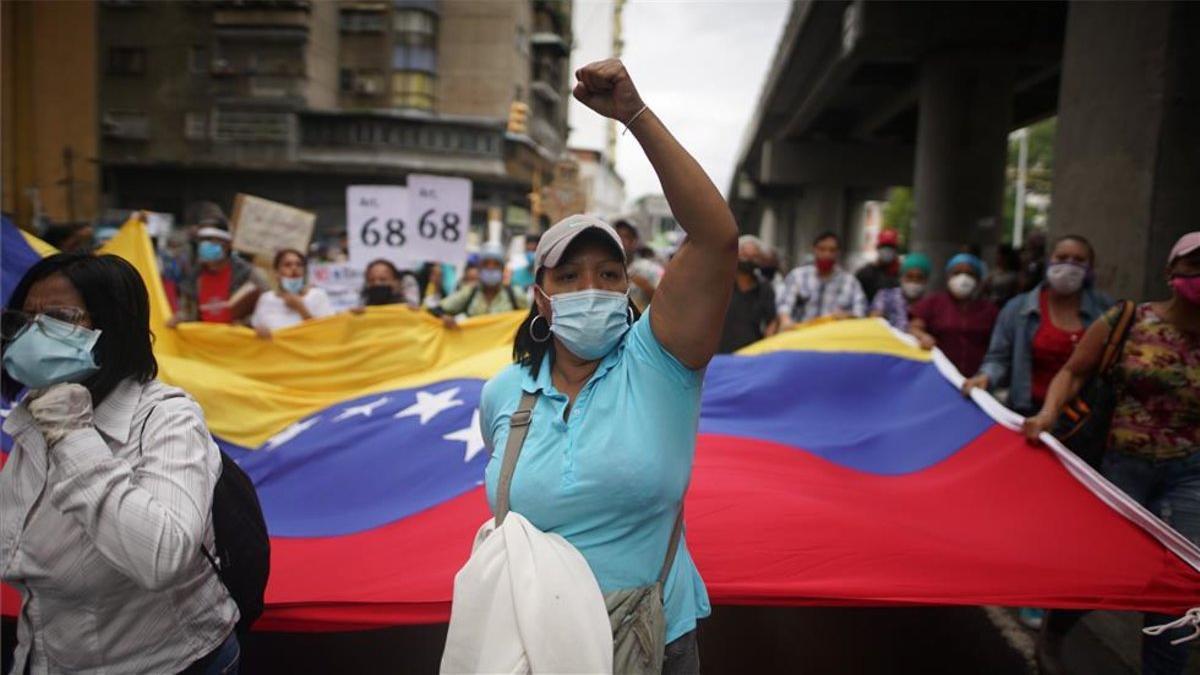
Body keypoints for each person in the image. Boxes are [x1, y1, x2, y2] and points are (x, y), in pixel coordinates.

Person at [479, 59, 736, 672]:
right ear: (540, 296)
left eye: (608, 274)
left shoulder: (660, 364)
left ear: (628, 288)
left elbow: (715, 239)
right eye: (568, 275)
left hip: (649, 643)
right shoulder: (503, 395)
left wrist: (634, 117)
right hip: (533, 647)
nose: (589, 287)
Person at [0, 253, 240, 674]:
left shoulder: (166, 417)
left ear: (113, 326)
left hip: (168, 663)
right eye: (26, 318)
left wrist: (74, 438)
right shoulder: (34, 413)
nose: (36, 334)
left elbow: (161, 556)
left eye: (59, 317)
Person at [1022, 232, 1200, 675]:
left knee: (1180, 584)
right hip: (1122, 469)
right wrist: (1047, 414)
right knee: (1102, 570)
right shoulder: (1128, 319)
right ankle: (1056, 632)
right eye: (1194, 264)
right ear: (1171, 272)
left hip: (1190, 477)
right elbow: (1072, 372)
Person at [962, 235, 1113, 416]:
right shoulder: (1017, 309)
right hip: (1026, 413)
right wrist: (985, 377)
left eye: (1079, 260)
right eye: (1062, 258)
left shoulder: (1105, 311)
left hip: (1082, 420)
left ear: (1090, 269)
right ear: (1049, 261)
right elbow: (999, 358)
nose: (1069, 265)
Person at [908, 253, 999, 376]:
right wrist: (922, 336)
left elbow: (999, 347)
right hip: (939, 376)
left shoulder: (989, 310)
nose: (963, 278)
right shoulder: (933, 303)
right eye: (957, 273)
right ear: (948, 277)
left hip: (976, 380)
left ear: (978, 279)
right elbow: (914, 327)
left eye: (969, 274)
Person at [169, 226, 262, 326]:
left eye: (211, 241)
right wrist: (179, 319)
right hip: (200, 338)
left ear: (226, 246)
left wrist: (249, 324)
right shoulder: (193, 278)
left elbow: (265, 309)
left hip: (234, 339)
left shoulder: (248, 275)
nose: (204, 245)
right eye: (202, 241)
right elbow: (188, 313)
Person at [776, 231, 868, 327]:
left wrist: (847, 316)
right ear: (814, 249)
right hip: (802, 336)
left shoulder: (850, 282)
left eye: (832, 250)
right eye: (822, 249)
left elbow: (861, 311)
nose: (827, 254)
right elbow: (784, 305)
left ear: (838, 253)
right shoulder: (798, 276)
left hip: (833, 337)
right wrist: (785, 321)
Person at [437, 242, 528, 327]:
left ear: (502, 269)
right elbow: (437, 309)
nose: (491, 268)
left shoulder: (515, 295)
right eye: (486, 264)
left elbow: (529, 318)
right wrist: (444, 318)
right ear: (480, 268)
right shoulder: (469, 293)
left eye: (496, 264)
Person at [249, 248, 335, 338]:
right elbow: (255, 329)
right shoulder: (266, 299)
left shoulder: (317, 296)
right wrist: (260, 333)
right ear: (277, 273)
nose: (294, 268)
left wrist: (302, 309)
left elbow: (327, 333)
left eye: (299, 265)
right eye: (287, 265)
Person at [718, 235, 779, 353]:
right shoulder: (721, 284)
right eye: (745, 256)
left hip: (751, 353)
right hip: (719, 354)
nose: (749, 261)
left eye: (754, 257)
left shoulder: (765, 288)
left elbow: (771, 321)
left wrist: (767, 346)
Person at [870, 251, 931, 331]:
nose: (914, 281)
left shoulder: (930, 303)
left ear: (926, 280)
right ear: (901, 277)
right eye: (909, 276)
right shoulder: (885, 296)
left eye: (919, 278)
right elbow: (874, 319)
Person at [614, 218, 665, 310]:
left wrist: (644, 286)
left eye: (625, 237)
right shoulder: (609, 269)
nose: (620, 240)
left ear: (634, 241)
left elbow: (665, 301)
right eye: (617, 235)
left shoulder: (647, 269)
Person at [855, 229, 902, 303]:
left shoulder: (900, 273)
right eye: (884, 246)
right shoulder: (865, 273)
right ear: (878, 248)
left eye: (891, 247)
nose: (887, 250)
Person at [984, 244, 1022, 309]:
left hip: (1007, 306)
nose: (996, 257)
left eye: (999, 255)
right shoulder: (993, 273)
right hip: (992, 306)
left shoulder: (1014, 275)